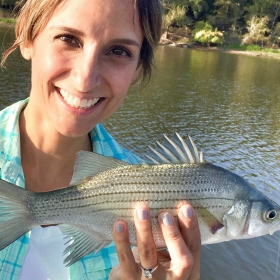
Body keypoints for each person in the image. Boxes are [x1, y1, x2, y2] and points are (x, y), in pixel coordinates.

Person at [0, 0, 201, 279]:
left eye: (119, 51)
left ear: (138, 69)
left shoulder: (159, 212)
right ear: (27, 36)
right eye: (68, 39)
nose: (85, 79)